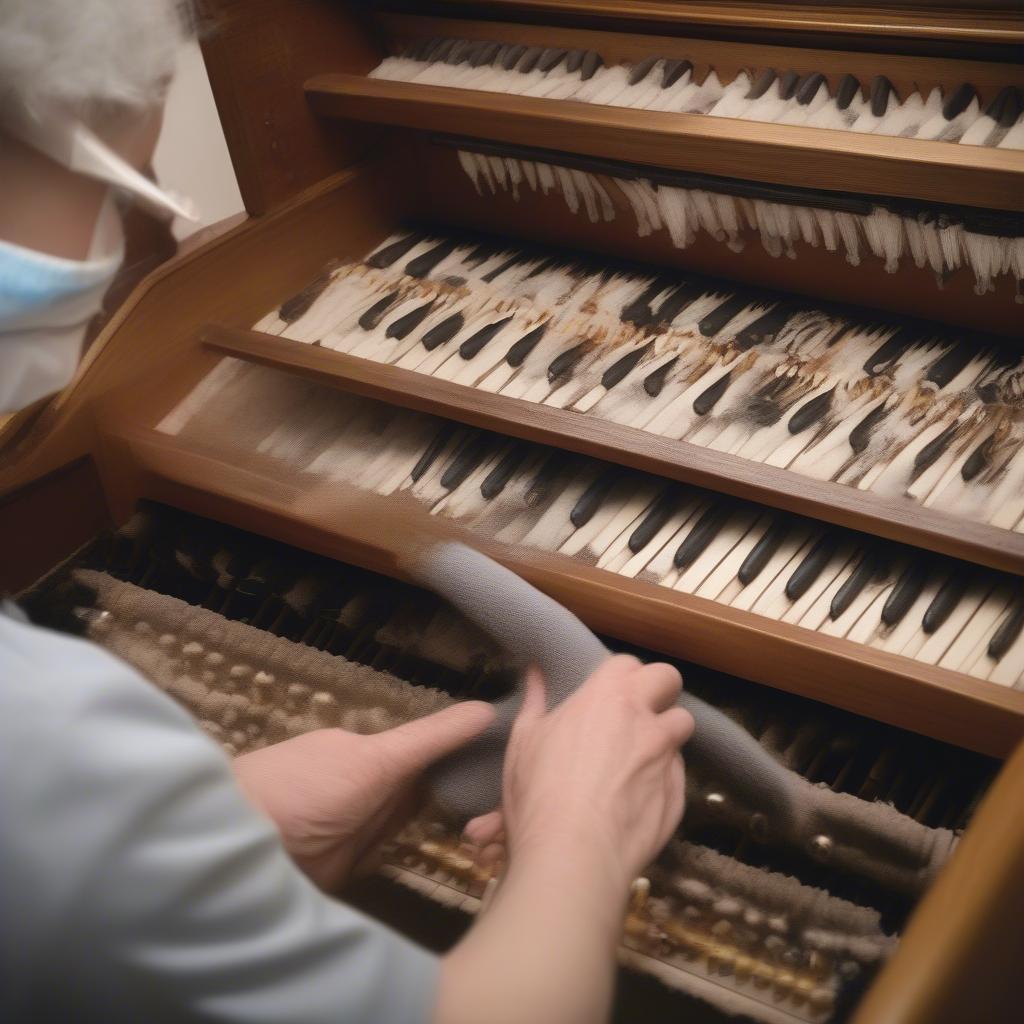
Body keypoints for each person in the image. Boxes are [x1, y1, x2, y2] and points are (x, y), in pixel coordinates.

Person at [0, 3, 695, 1022]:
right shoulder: (43, 737)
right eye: (116, 187)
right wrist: (581, 837)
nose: (128, 253)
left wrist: (202, 850)